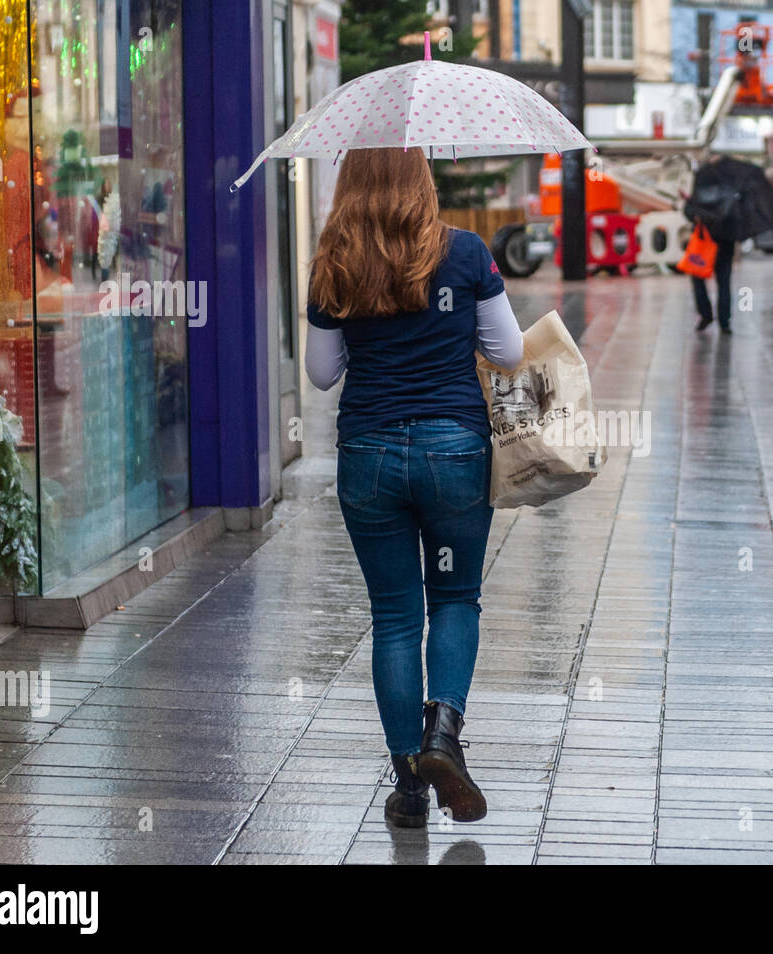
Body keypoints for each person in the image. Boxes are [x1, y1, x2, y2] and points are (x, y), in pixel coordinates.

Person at [304, 147, 524, 828]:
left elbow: (319, 374)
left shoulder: (334, 257)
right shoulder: (466, 253)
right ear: (421, 178)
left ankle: (408, 787)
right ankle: (443, 735)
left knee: (395, 617)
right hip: (454, 452)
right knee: (455, 597)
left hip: (370, 456)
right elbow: (510, 352)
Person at [684, 154, 741, 333]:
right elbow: (737, 215)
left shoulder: (701, 187)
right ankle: (725, 322)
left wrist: (691, 208)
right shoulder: (731, 188)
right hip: (726, 240)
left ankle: (705, 315)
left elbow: (689, 211)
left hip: (703, 240)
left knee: (697, 277)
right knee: (724, 281)